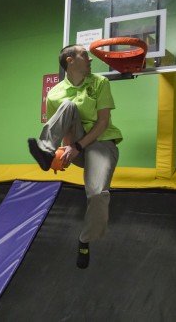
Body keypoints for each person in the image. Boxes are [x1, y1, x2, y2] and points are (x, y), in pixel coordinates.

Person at [28, 44, 122, 269]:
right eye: (84, 55)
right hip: (76, 145)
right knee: (68, 105)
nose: (89, 59)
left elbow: (102, 123)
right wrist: (65, 151)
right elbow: (63, 128)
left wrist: (77, 147)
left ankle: (84, 240)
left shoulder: (100, 83)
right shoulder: (54, 94)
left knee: (98, 194)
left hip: (101, 143)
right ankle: (46, 151)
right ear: (70, 61)